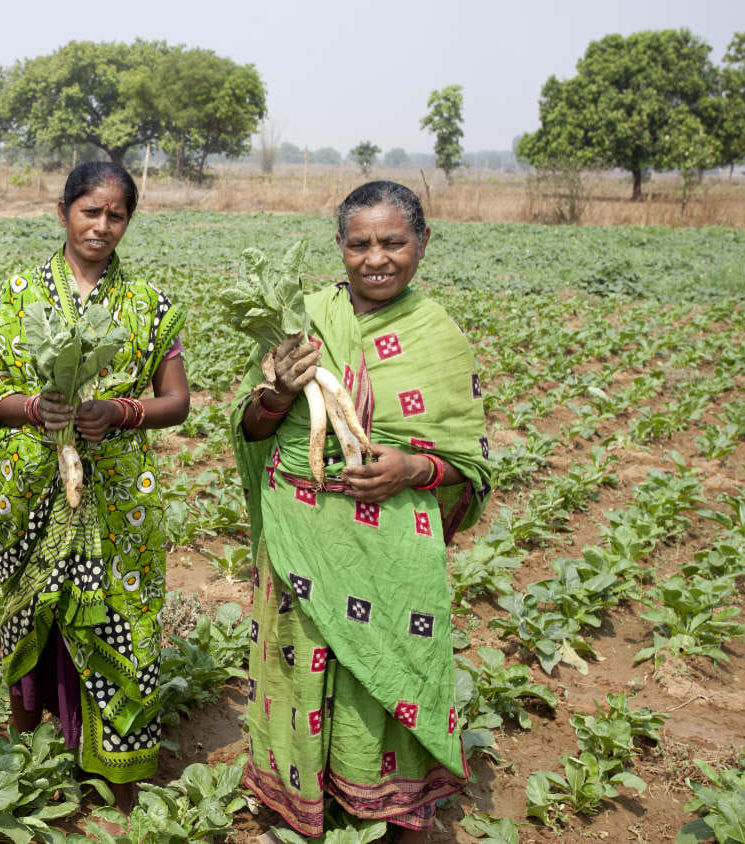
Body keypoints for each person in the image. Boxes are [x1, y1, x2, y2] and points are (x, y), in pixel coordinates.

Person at [231, 180, 493, 841]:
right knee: (303, 667)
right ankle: (304, 800)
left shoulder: (438, 337)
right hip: (300, 530)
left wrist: (412, 468)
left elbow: (471, 461)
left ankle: (392, 802)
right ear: (340, 248)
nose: (376, 257)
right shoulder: (303, 320)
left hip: (392, 542)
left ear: (422, 243)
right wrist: (277, 392)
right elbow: (250, 429)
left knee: (391, 665)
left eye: (393, 242)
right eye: (359, 244)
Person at [0, 161, 190, 813]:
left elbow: (175, 402)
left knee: (122, 625)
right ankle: (29, 757)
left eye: (116, 214)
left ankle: (119, 778)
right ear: (64, 212)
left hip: (118, 494)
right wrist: (36, 408)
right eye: (90, 211)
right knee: (35, 615)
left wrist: (120, 412)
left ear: (129, 221)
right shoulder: (19, 294)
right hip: (35, 487)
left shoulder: (150, 303)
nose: (102, 225)